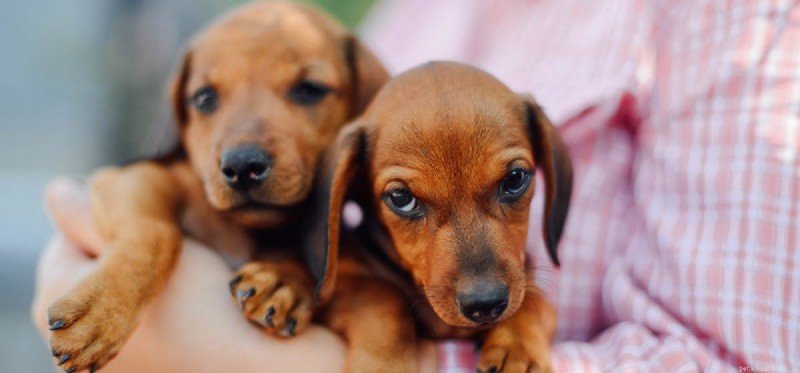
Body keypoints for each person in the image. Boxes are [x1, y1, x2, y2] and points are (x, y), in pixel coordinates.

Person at [33, 0, 799, 371]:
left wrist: (222, 349)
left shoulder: (738, 24)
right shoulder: (413, 19)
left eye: (513, 185)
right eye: (404, 197)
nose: (245, 143)